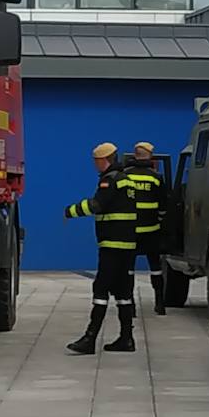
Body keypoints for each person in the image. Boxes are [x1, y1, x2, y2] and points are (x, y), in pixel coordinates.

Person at [63, 142, 138, 354]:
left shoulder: (109, 181)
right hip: (128, 244)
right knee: (123, 292)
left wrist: (71, 211)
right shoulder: (127, 180)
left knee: (101, 289)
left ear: (104, 160)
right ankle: (126, 338)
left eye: (96, 161)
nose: (95, 165)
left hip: (112, 244)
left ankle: (90, 338)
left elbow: (97, 205)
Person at [122, 141, 169, 316]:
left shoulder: (125, 176)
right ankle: (160, 304)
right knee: (156, 267)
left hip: (130, 231)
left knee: (128, 269)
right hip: (151, 231)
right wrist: (160, 220)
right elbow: (164, 205)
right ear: (149, 156)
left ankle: (131, 305)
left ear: (135, 156)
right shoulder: (156, 178)